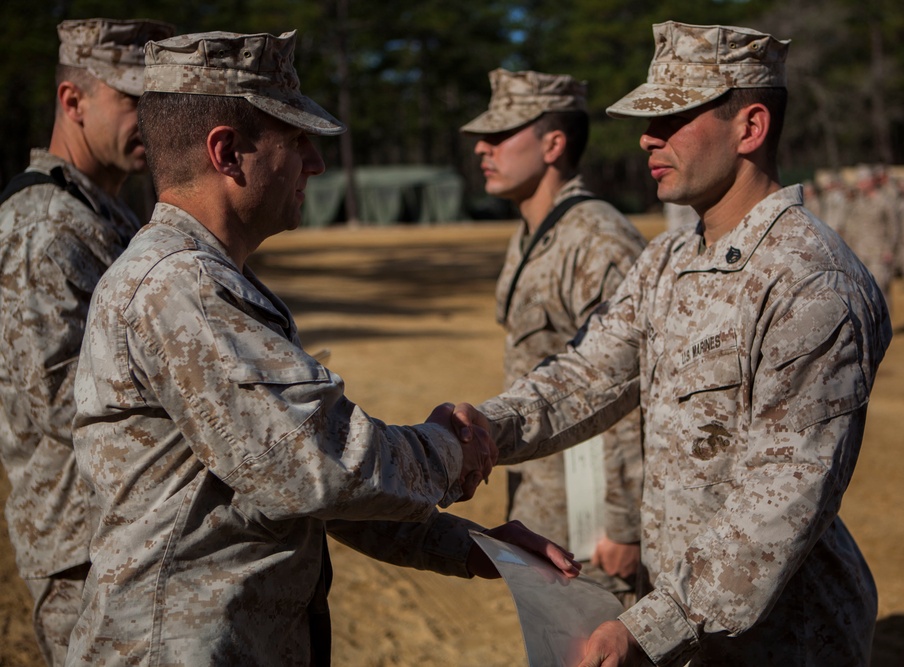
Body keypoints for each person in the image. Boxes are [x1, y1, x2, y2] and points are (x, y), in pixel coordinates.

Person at [67, 30, 578, 666]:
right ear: (227, 153)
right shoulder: (182, 287)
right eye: (298, 141)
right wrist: (452, 448)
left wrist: (474, 548)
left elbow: (294, 487)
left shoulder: (207, 280)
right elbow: (317, 467)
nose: (316, 164)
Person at [458, 20, 892, 665]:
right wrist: (483, 428)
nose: (647, 137)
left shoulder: (809, 280)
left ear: (750, 128)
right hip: (694, 626)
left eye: (675, 118)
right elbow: (590, 374)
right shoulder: (669, 257)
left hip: (784, 636)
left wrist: (653, 625)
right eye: (648, 119)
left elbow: (786, 493)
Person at [0, 18, 175, 666]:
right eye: (133, 100)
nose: (151, 119)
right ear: (72, 102)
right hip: (83, 552)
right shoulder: (42, 226)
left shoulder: (105, 213)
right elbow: (62, 401)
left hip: (126, 535)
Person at [460, 68, 647, 602]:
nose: (482, 149)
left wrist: (624, 523)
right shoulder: (536, 232)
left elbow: (628, 387)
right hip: (546, 506)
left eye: (500, 135)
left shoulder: (597, 240)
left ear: (554, 143)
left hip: (592, 528)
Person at [841, 164, 901, 305]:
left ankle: (884, 325)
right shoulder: (857, 202)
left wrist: (890, 250)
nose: (858, 184)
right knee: (862, 291)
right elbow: (850, 226)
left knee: (880, 290)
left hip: (878, 253)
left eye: (861, 181)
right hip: (859, 252)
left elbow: (894, 227)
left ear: (870, 181)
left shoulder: (884, 201)